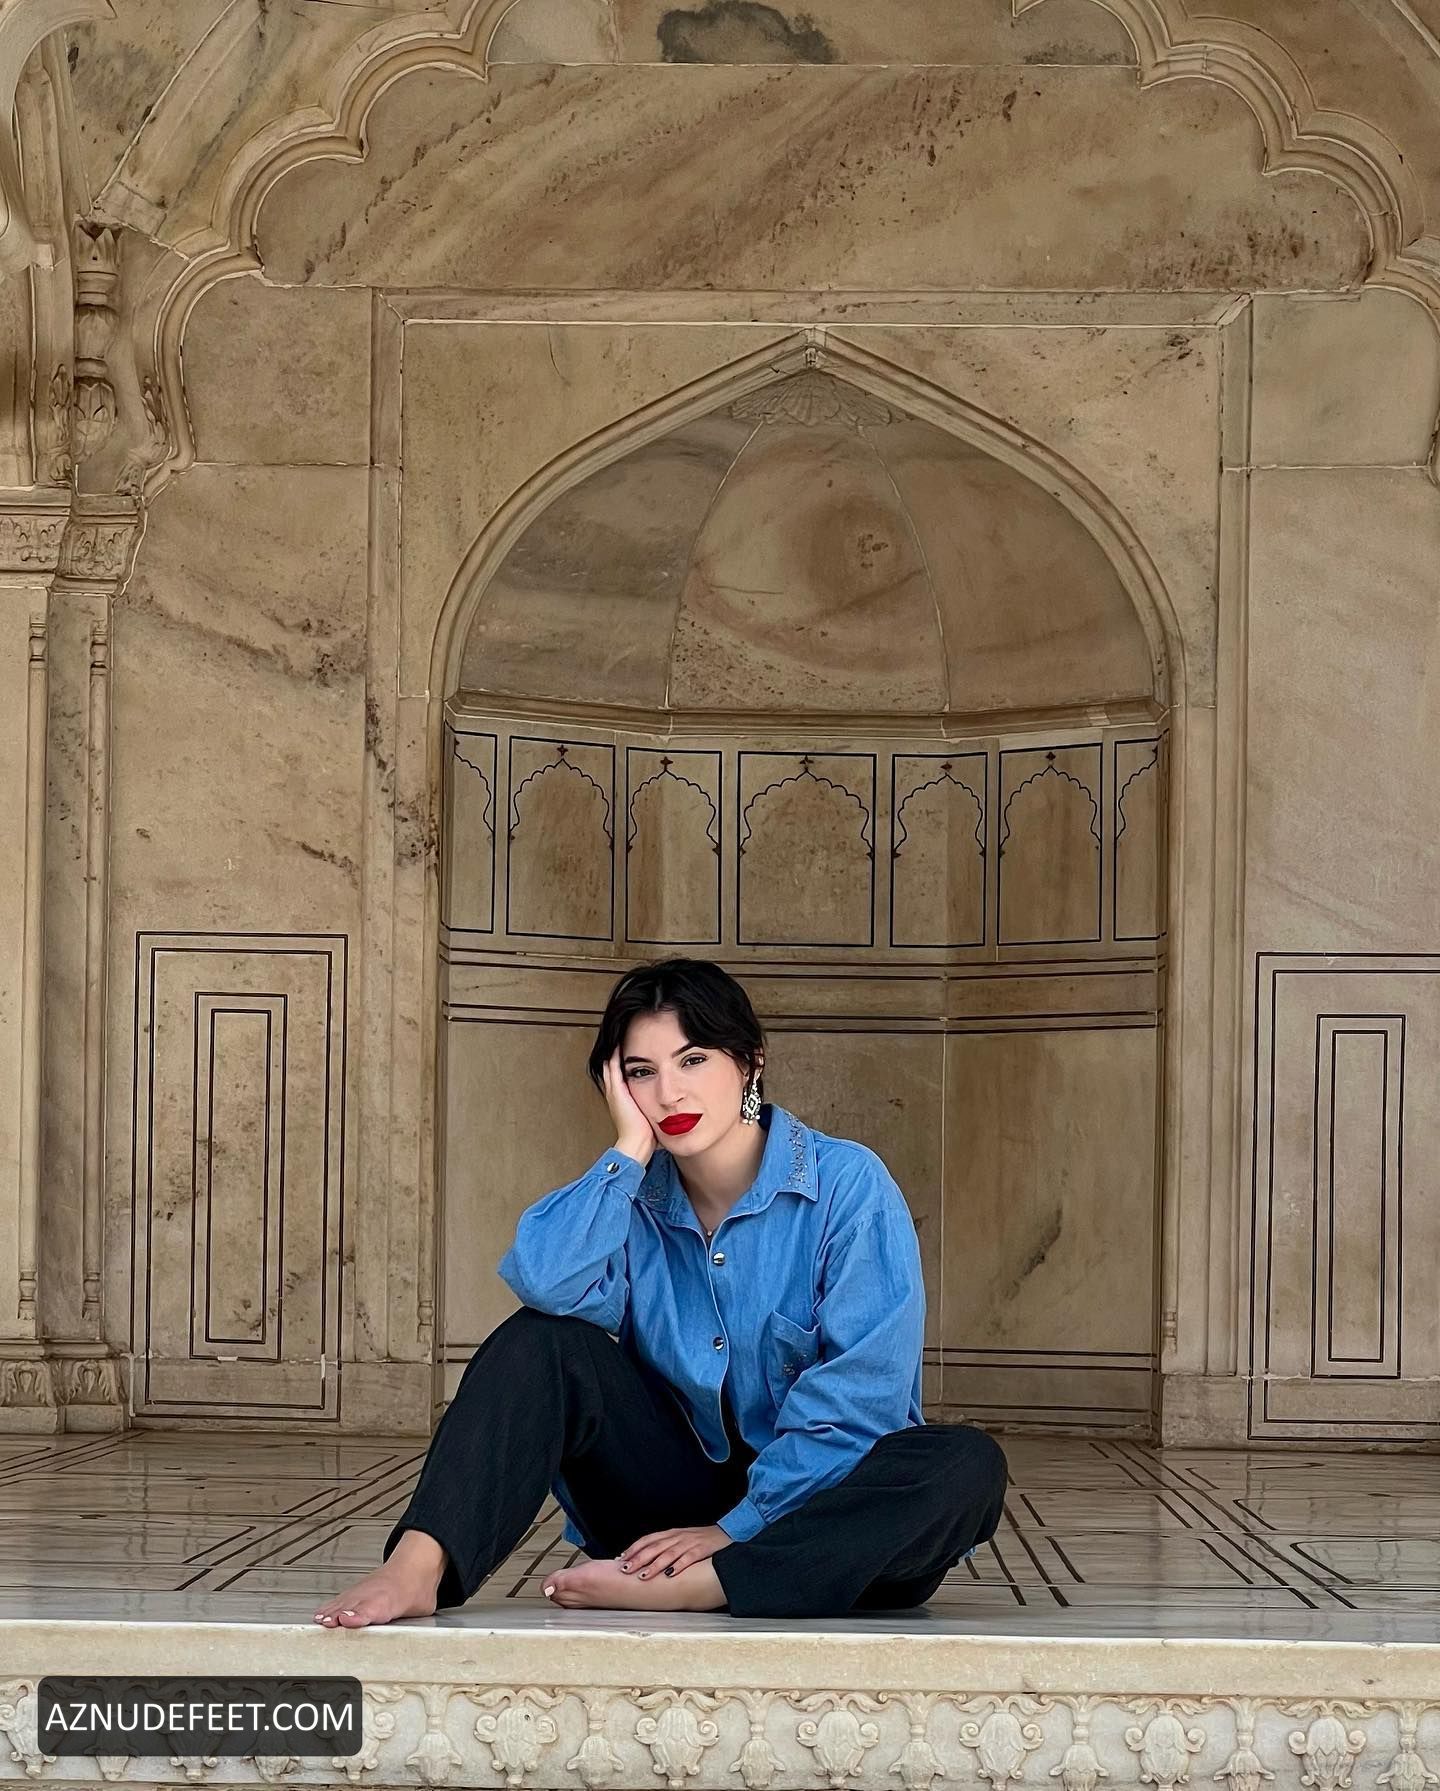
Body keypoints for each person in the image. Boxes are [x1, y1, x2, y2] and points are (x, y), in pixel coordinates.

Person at [314, 957, 1007, 1627]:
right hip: (665, 1521)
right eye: (641, 1071)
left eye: (692, 1059)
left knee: (966, 1465)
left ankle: (712, 1584)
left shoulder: (848, 1186)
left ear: (751, 1060)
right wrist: (628, 1149)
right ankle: (418, 1566)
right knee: (542, 1340)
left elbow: (861, 1402)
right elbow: (544, 1281)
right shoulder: (630, 1199)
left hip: (827, 1520)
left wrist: (732, 1532)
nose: (669, 1094)